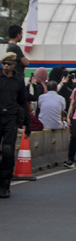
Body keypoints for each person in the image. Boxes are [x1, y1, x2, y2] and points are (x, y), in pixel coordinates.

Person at [0, 51, 29, 198]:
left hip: (11, 118)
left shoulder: (18, 80)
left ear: (14, 65)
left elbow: (23, 102)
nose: (5, 66)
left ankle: (5, 185)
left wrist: (27, 124)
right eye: (3, 64)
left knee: (7, 151)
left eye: (8, 64)